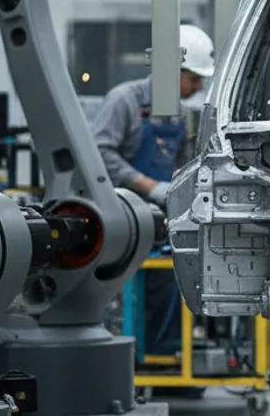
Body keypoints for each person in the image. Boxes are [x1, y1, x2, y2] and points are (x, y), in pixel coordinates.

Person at [91, 23, 215, 360]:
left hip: (160, 218)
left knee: (171, 281)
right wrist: (149, 186)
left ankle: (166, 354)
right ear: (174, 71)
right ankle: (135, 355)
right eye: (194, 78)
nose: (198, 86)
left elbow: (181, 162)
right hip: (121, 217)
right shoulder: (125, 101)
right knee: (130, 291)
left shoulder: (176, 113)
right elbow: (100, 153)